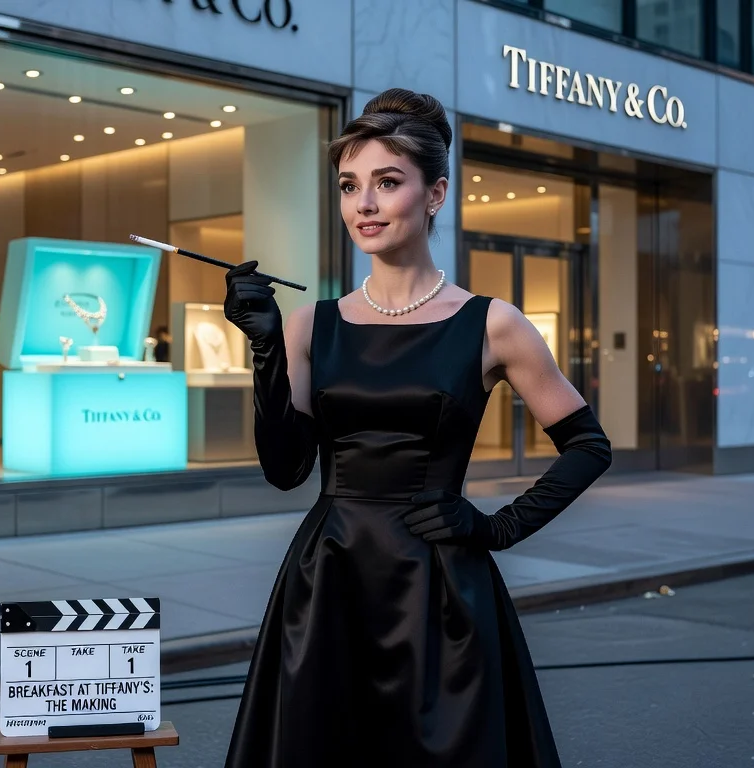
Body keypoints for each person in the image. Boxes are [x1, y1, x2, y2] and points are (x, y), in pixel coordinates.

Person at [221, 88, 613, 766]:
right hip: (328, 585)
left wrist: (498, 527)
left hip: (441, 592)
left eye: (387, 182)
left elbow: (588, 446)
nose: (363, 205)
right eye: (349, 186)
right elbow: (285, 470)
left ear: (435, 195)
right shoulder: (313, 324)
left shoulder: (493, 323)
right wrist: (264, 352)